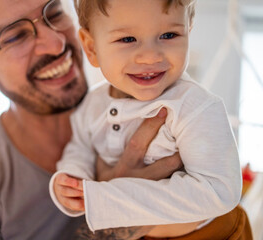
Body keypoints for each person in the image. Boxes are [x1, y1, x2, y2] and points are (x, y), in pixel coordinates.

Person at [0, 0, 183, 239]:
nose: (57, 44)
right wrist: (122, 205)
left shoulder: (157, 122)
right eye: (15, 36)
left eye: (54, 13)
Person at [50, 0, 253, 239]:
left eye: (169, 34)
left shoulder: (194, 106)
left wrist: (110, 197)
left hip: (210, 233)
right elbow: (81, 148)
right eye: (127, 39)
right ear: (92, 48)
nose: (149, 56)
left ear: (189, 29)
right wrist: (72, 179)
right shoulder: (92, 104)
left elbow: (219, 191)